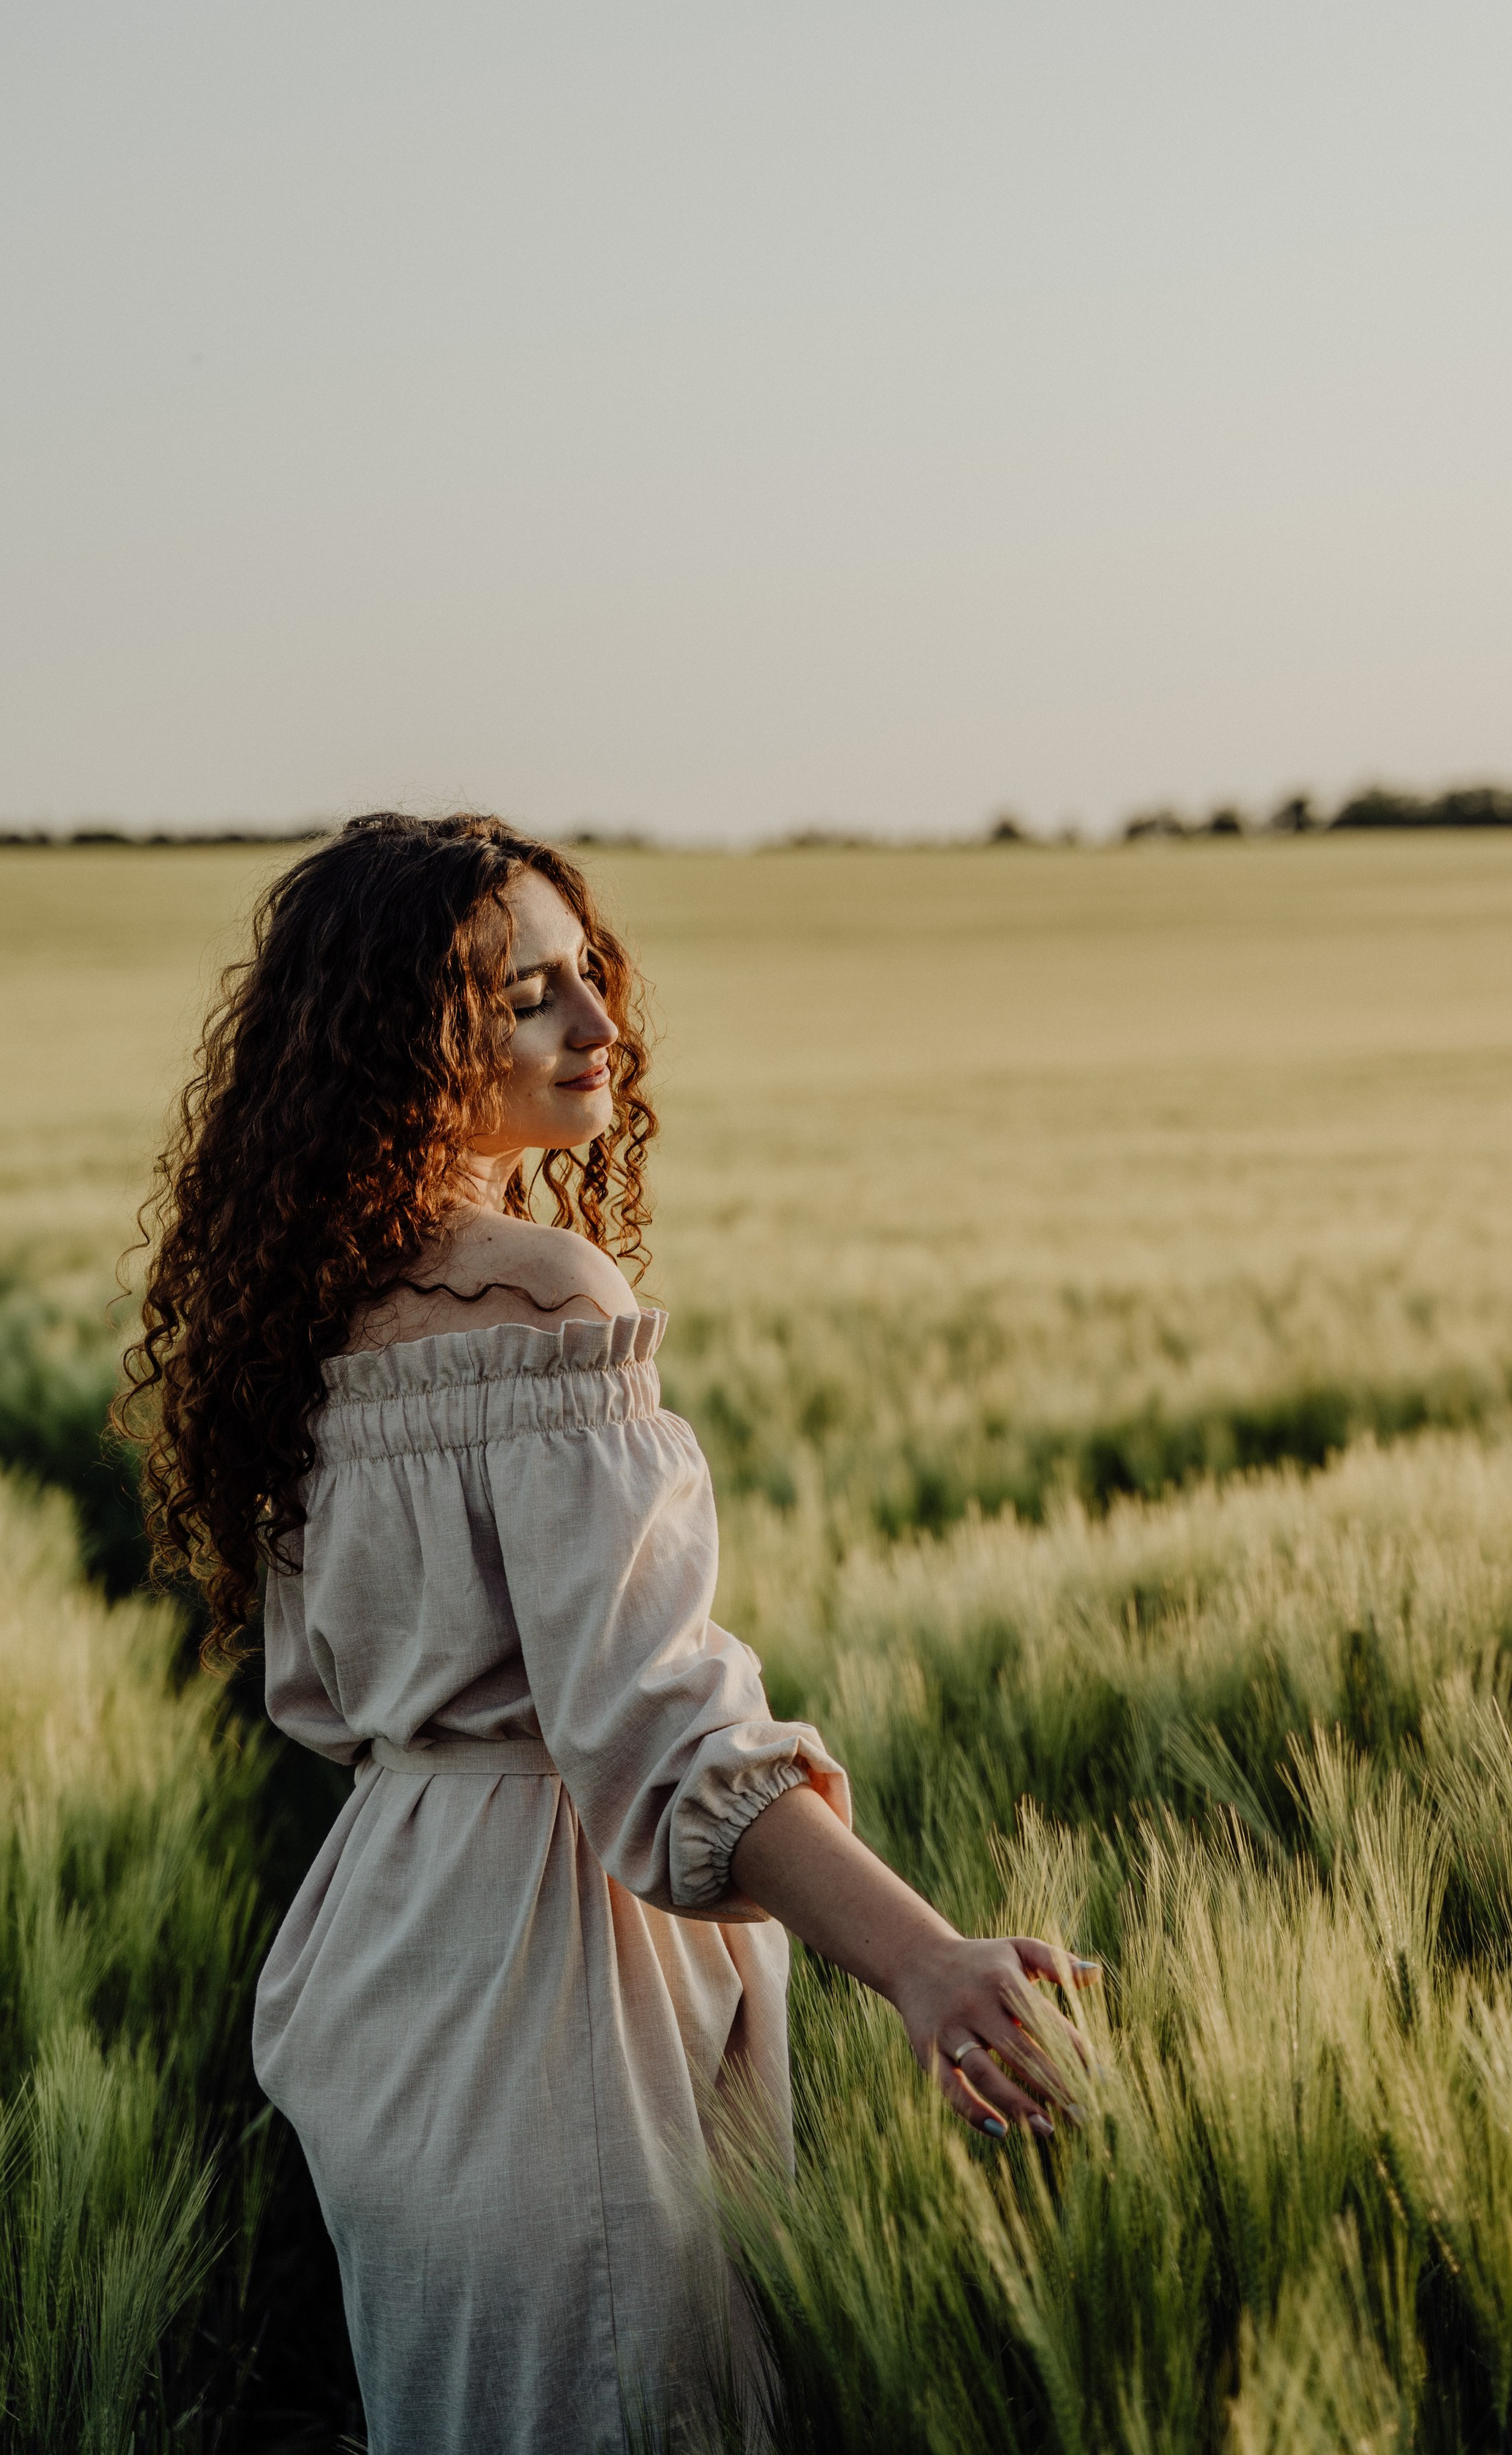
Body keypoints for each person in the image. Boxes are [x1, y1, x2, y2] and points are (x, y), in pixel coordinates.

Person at [122, 811, 1089, 2454]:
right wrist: (925, 1963)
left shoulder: (298, 1305)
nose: (598, 1026)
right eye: (526, 996)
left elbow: (337, 1692)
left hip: (387, 1952)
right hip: (552, 1979)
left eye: (591, 976)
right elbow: (658, 1732)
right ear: (400, 1038)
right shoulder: (543, 1294)